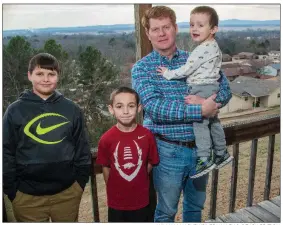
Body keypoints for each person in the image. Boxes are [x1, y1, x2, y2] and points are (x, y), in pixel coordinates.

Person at [131, 5, 232, 222]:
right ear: (148, 34)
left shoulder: (197, 56)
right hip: (168, 152)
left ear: (176, 28)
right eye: (155, 29)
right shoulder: (142, 69)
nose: (161, 33)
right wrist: (200, 110)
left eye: (166, 27)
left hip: (200, 151)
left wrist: (211, 102)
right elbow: (155, 108)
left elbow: (225, 89)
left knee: (195, 209)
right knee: (166, 212)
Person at [3, 53, 91, 222]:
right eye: (39, 74)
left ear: (58, 76)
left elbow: (83, 149)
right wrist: (12, 190)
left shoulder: (72, 109)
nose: (45, 79)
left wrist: (79, 183)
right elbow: (5, 151)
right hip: (26, 197)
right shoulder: (15, 111)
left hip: (67, 194)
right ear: (29, 75)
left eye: (51, 74)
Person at [156, 6, 233, 178]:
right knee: (213, 121)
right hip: (211, 86)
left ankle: (204, 158)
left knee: (200, 122)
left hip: (202, 88)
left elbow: (186, 70)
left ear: (213, 29)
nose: (194, 29)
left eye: (200, 25)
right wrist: (208, 105)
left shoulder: (201, 50)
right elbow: (155, 108)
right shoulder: (213, 47)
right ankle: (221, 152)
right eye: (192, 25)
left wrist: (168, 74)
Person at [96, 87, 159, 222]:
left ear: (139, 108)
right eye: (119, 106)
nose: (125, 111)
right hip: (117, 202)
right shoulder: (106, 139)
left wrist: (138, 178)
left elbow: (150, 163)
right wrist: (117, 186)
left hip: (142, 200)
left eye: (131, 106)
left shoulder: (147, 136)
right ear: (111, 109)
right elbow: (106, 167)